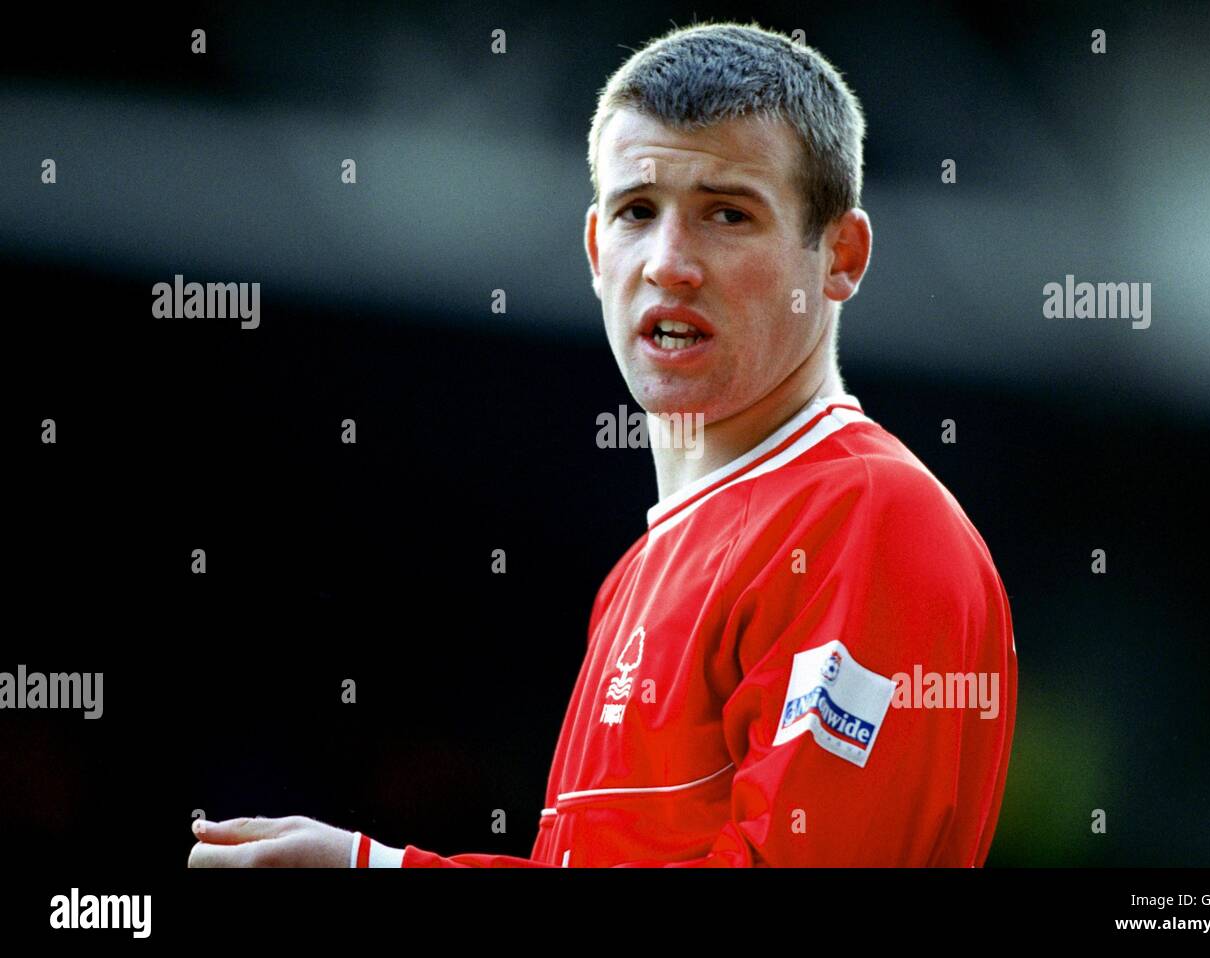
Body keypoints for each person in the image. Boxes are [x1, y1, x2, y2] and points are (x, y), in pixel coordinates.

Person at [189, 20, 1017, 870]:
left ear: (840, 256)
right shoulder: (640, 572)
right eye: (637, 212)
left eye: (727, 214)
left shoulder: (872, 518)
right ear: (595, 248)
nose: (669, 263)